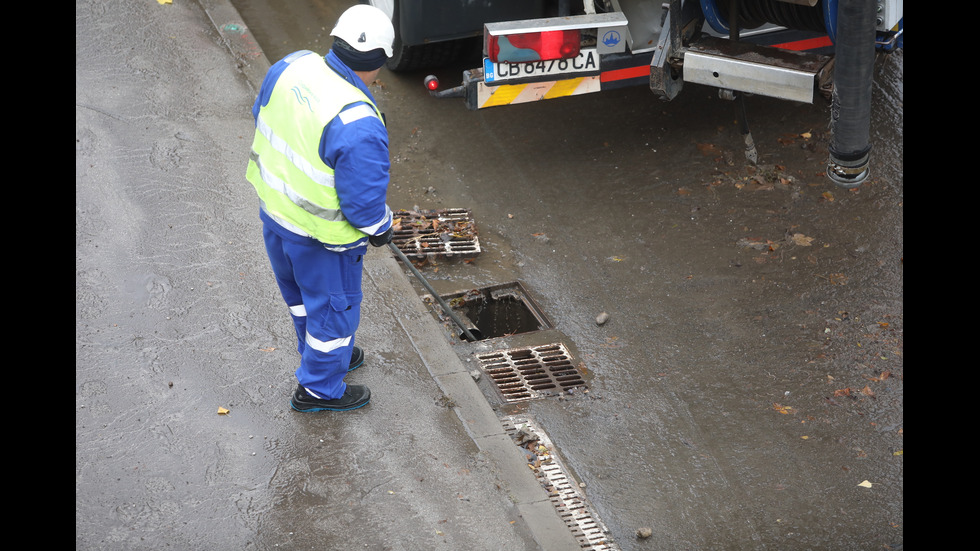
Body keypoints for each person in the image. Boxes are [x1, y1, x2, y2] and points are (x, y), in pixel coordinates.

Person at [245, 5, 396, 412]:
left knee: (301, 299)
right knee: (333, 313)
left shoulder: (291, 66)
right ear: (380, 61)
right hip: (322, 240)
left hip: (276, 218)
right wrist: (382, 226)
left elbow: (262, 115)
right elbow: (363, 207)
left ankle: (320, 355)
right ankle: (318, 389)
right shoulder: (357, 121)